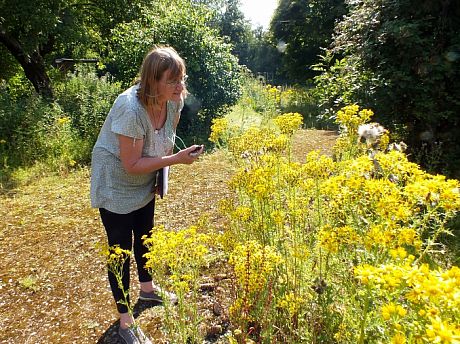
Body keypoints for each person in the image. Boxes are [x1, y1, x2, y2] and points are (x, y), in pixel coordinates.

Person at [90, 46, 203, 344]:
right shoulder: (130, 108)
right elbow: (130, 163)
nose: (181, 86)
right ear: (152, 81)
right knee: (120, 250)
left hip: (144, 175)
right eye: (172, 80)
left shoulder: (174, 101)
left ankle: (149, 291)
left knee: (145, 236)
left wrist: (161, 176)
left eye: (182, 78)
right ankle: (126, 322)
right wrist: (175, 161)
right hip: (115, 180)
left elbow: (164, 144)